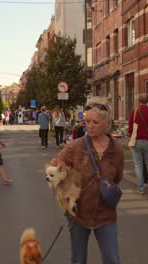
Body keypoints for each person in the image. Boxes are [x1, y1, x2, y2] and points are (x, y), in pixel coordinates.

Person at [49, 97, 123, 264]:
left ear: (106, 123)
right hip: (78, 214)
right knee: (78, 260)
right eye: (87, 121)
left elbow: (116, 178)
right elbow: (52, 170)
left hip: (105, 214)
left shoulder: (117, 150)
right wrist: (65, 191)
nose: (89, 125)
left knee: (113, 259)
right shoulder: (75, 146)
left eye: (95, 122)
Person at [128, 94, 148, 194]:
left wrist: (132, 136)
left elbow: (130, 129)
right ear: (147, 102)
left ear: (138, 101)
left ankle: (141, 187)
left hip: (136, 141)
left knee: (138, 164)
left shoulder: (134, 112)